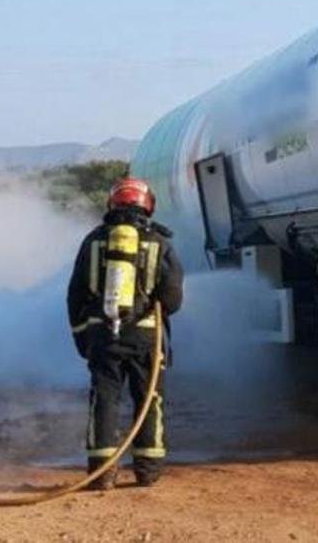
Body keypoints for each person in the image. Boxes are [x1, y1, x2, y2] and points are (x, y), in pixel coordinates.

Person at [67, 177, 184, 489]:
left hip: (102, 337)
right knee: (149, 399)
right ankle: (148, 470)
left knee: (104, 399)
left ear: (112, 203)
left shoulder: (92, 241)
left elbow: (75, 294)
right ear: (148, 206)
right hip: (146, 338)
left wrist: (82, 336)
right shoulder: (160, 244)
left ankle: (101, 472)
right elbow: (173, 299)